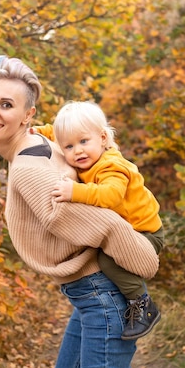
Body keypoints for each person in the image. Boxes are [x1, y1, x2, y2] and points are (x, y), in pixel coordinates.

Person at [0, 55, 160, 368]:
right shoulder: (41, 143)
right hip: (89, 295)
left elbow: (103, 222)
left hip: (102, 297)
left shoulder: (29, 167)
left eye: (6, 104)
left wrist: (143, 258)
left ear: (27, 115)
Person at [31, 102, 164, 340]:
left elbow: (110, 197)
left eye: (84, 142)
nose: (78, 151)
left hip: (145, 233)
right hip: (125, 230)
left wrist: (75, 192)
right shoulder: (88, 154)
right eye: (69, 146)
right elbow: (57, 131)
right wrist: (35, 132)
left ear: (103, 138)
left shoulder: (111, 166)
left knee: (107, 260)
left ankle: (143, 304)